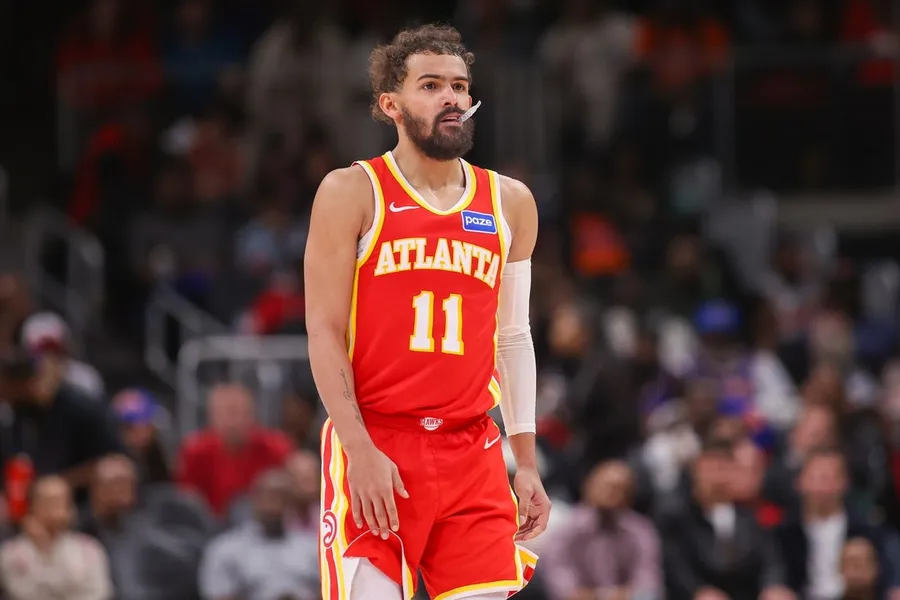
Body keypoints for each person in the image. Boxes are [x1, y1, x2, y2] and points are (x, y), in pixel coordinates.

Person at [304, 23, 548, 600]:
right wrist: (358, 449)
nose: (451, 98)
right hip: (379, 439)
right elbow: (324, 331)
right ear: (391, 104)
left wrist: (527, 462)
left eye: (459, 86)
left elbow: (513, 337)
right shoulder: (352, 191)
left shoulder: (510, 201)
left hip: (473, 450)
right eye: (431, 85)